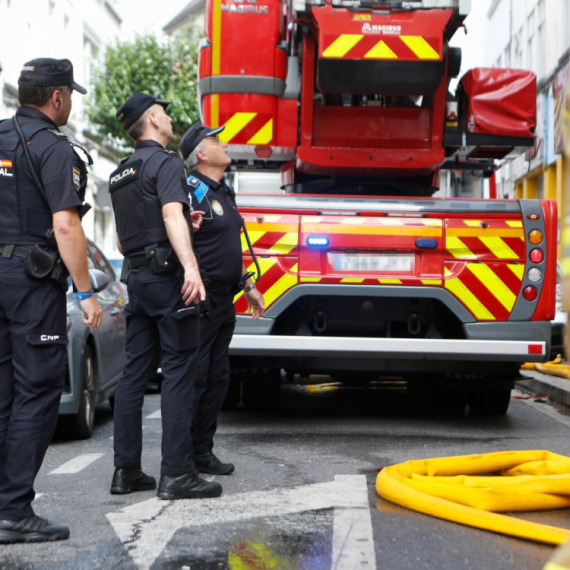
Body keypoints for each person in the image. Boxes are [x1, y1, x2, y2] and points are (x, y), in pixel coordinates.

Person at [0, 58, 102, 543]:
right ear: (56, 97)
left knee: (2, 392)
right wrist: (85, 291)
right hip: (31, 282)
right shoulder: (54, 149)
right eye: (70, 95)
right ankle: (14, 509)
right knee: (37, 390)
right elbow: (66, 225)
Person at [109, 93, 222, 500]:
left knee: (133, 375)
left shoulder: (120, 173)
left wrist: (173, 228)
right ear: (154, 118)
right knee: (179, 369)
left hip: (136, 281)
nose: (172, 120)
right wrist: (191, 268)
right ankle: (176, 474)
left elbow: (123, 241)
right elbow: (172, 215)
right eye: (167, 114)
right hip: (167, 280)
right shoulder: (167, 162)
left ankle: (126, 472)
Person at [180, 121, 266, 476]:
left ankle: (203, 451)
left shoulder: (222, 191)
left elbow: (227, 247)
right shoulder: (190, 191)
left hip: (225, 300)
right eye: (216, 140)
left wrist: (248, 285)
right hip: (202, 300)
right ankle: (182, 456)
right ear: (201, 153)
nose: (224, 143)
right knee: (195, 378)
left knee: (217, 379)